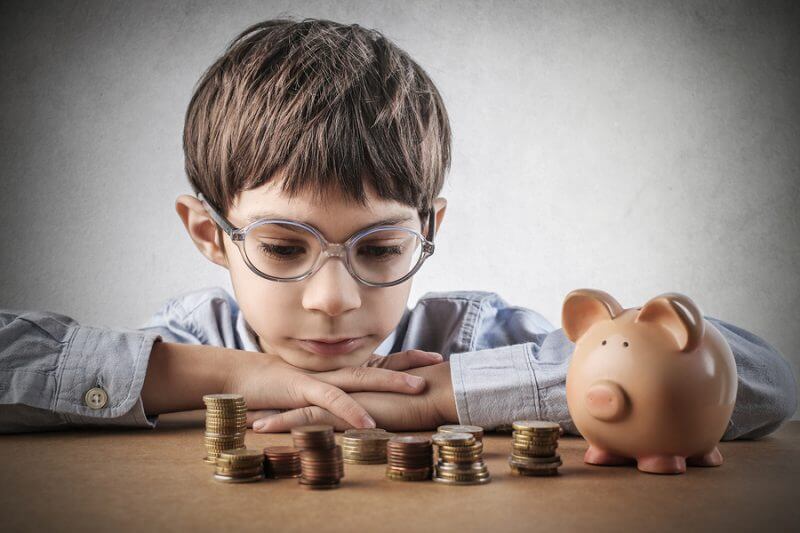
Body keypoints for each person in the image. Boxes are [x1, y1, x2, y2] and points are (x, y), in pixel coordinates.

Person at [1, 18, 795, 438]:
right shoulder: (183, 342)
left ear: (428, 229)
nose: (333, 299)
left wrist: (448, 394)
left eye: (380, 248)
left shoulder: (467, 335)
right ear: (211, 236)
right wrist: (224, 379)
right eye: (283, 246)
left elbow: (765, 381)